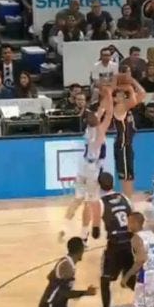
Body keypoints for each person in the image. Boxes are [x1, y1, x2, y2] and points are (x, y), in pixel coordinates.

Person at [59, 88, 113, 245]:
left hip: (82, 166)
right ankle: (84, 237)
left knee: (77, 199)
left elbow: (101, 110)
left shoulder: (88, 129)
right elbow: (108, 114)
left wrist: (105, 97)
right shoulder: (100, 132)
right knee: (89, 203)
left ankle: (64, 227)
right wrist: (109, 94)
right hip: (92, 170)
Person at [95, 172, 135, 307]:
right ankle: (150, 305)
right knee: (130, 280)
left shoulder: (100, 203)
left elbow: (96, 232)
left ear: (99, 185)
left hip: (114, 245)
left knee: (105, 280)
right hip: (129, 243)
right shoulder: (125, 198)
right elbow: (134, 219)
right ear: (113, 183)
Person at [111, 75, 145, 201]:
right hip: (122, 145)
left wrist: (133, 81)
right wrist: (130, 85)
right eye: (119, 95)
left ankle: (128, 199)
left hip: (127, 145)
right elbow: (135, 98)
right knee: (126, 176)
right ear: (115, 98)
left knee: (129, 174)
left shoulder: (126, 106)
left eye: (123, 94)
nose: (123, 96)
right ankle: (128, 199)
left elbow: (142, 94)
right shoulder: (119, 107)